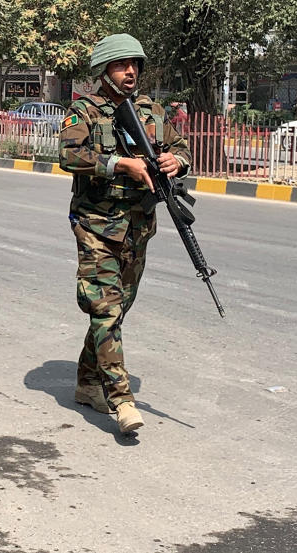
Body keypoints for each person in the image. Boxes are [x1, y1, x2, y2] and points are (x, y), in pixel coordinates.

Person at [58, 34, 191, 435]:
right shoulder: (83, 110)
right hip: (97, 226)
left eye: (135, 64)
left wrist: (176, 162)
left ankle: (86, 383)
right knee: (106, 309)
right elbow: (69, 156)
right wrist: (120, 164)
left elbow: (182, 148)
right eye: (121, 65)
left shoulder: (152, 110)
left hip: (138, 227)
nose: (130, 72)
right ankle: (121, 398)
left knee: (116, 309)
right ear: (104, 70)